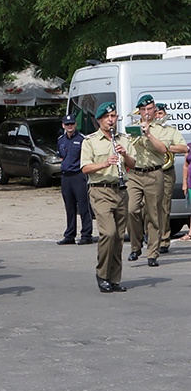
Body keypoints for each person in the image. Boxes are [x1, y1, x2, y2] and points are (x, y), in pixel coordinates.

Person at [81, 102, 136, 292]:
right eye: (107, 117)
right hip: (100, 190)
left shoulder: (123, 139)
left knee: (119, 236)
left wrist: (125, 154)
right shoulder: (90, 141)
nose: (111, 120)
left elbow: (133, 164)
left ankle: (115, 278)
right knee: (108, 233)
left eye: (113, 116)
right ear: (99, 120)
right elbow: (85, 167)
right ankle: (102, 273)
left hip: (120, 190)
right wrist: (105, 163)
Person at [126, 95, 168, 267]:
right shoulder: (132, 128)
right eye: (143, 110)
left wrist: (149, 134)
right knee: (131, 210)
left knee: (153, 214)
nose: (146, 113)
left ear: (154, 110)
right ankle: (136, 246)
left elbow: (163, 149)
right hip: (135, 174)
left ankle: (152, 253)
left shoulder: (161, 129)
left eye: (149, 109)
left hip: (154, 173)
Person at [153, 103, 188, 253]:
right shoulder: (149, 130)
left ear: (165, 115)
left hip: (166, 171)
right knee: (149, 207)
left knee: (164, 207)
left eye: (161, 113)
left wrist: (166, 147)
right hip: (150, 172)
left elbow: (184, 148)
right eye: (156, 113)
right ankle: (153, 236)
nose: (158, 116)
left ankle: (164, 240)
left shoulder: (171, 131)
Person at [56, 114, 94, 245]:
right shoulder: (61, 140)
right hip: (66, 176)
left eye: (72, 124)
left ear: (75, 124)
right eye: (67, 124)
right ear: (63, 125)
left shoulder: (83, 139)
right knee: (69, 207)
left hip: (79, 175)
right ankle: (70, 234)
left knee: (84, 206)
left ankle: (86, 234)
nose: (69, 126)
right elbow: (61, 156)